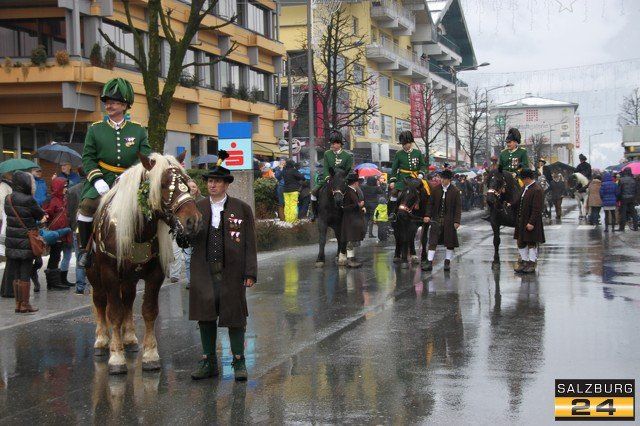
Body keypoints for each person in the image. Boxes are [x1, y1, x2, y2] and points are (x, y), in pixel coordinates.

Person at [189, 160, 257, 382]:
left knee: (235, 317)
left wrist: (250, 273)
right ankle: (209, 362)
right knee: (205, 316)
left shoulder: (241, 208)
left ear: (226, 185)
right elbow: (187, 238)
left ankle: (239, 362)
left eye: (217, 181)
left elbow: (250, 243)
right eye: (210, 181)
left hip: (232, 273)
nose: (212, 185)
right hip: (203, 271)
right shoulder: (198, 207)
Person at [77, 78, 152, 267]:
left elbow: (145, 157)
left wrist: (129, 176)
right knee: (86, 206)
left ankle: (147, 252)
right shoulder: (95, 129)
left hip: (130, 181)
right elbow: (88, 158)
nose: (109, 106)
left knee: (148, 210)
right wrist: (97, 180)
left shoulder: (138, 130)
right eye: (107, 102)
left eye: (114, 102)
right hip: (102, 178)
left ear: (125, 105)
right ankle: (85, 250)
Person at [4, 171, 46, 313]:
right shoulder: (29, 200)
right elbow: (40, 215)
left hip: (12, 240)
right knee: (25, 271)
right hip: (27, 241)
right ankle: (25, 304)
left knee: (16, 272)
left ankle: (18, 304)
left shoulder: (8, 198)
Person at [422, 169, 461, 272]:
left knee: (450, 242)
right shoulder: (436, 189)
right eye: (441, 178)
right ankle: (429, 262)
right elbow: (430, 204)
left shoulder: (455, 191)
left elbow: (458, 207)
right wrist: (427, 215)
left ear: (449, 180)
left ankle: (447, 262)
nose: (442, 180)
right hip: (436, 219)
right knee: (432, 241)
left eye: (444, 179)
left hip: (449, 221)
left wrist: (457, 221)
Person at [309, 131, 354, 220]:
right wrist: (327, 177)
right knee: (313, 192)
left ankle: (356, 212)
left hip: (342, 180)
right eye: (331, 143)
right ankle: (314, 213)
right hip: (330, 178)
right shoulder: (327, 153)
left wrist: (345, 179)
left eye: (334, 143)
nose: (332, 145)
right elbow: (326, 167)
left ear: (339, 144)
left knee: (355, 192)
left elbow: (349, 170)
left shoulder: (347, 156)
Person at [389, 130, 427, 220]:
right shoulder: (398, 154)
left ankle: (427, 213)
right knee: (394, 193)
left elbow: (422, 165)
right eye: (403, 144)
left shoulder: (418, 153)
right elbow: (394, 168)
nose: (404, 146)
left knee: (426, 191)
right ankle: (392, 212)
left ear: (410, 143)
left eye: (405, 144)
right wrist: (393, 181)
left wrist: (420, 174)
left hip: (416, 178)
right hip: (402, 179)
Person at [513, 169, 545, 274]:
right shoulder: (525, 188)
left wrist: (531, 222)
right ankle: (524, 262)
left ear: (527, 178)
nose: (522, 181)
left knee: (531, 242)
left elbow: (537, 209)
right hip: (521, 220)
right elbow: (518, 201)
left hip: (531, 220)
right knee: (521, 242)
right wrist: (509, 204)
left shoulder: (537, 189)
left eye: (522, 179)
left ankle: (532, 263)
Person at [44, 177, 72, 291]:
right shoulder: (52, 200)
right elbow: (46, 215)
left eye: (66, 186)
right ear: (58, 187)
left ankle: (55, 281)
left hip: (62, 232)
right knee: (54, 256)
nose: (66, 188)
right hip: (55, 233)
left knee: (57, 256)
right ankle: (53, 282)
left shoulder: (63, 199)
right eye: (64, 186)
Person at [66, 169, 87, 294]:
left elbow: (69, 211)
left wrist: (72, 226)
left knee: (79, 256)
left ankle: (80, 286)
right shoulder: (95, 189)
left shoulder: (72, 190)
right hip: (92, 227)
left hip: (77, 227)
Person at [340, 172, 366, 268]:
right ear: (355, 183)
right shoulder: (348, 192)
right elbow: (344, 207)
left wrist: (361, 207)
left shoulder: (353, 191)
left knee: (352, 239)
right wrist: (358, 205)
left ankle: (352, 258)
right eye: (357, 182)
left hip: (353, 219)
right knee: (350, 240)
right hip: (349, 219)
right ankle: (350, 260)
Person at [184, 179, 205, 290]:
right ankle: (190, 281)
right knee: (188, 259)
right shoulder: (182, 201)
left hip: (200, 233)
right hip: (187, 233)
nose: (192, 189)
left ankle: (200, 279)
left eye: (194, 186)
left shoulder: (203, 200)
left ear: (197, 188)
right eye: (189, 187)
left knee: (199, 258)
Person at [0, 172, 14, 298]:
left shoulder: (9, 186)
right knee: (10, 259)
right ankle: (7, 289)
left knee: (10, 260)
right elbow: (3, 207)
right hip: (6, 224)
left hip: (8, 225)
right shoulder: (4, 187)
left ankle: (6, 288)